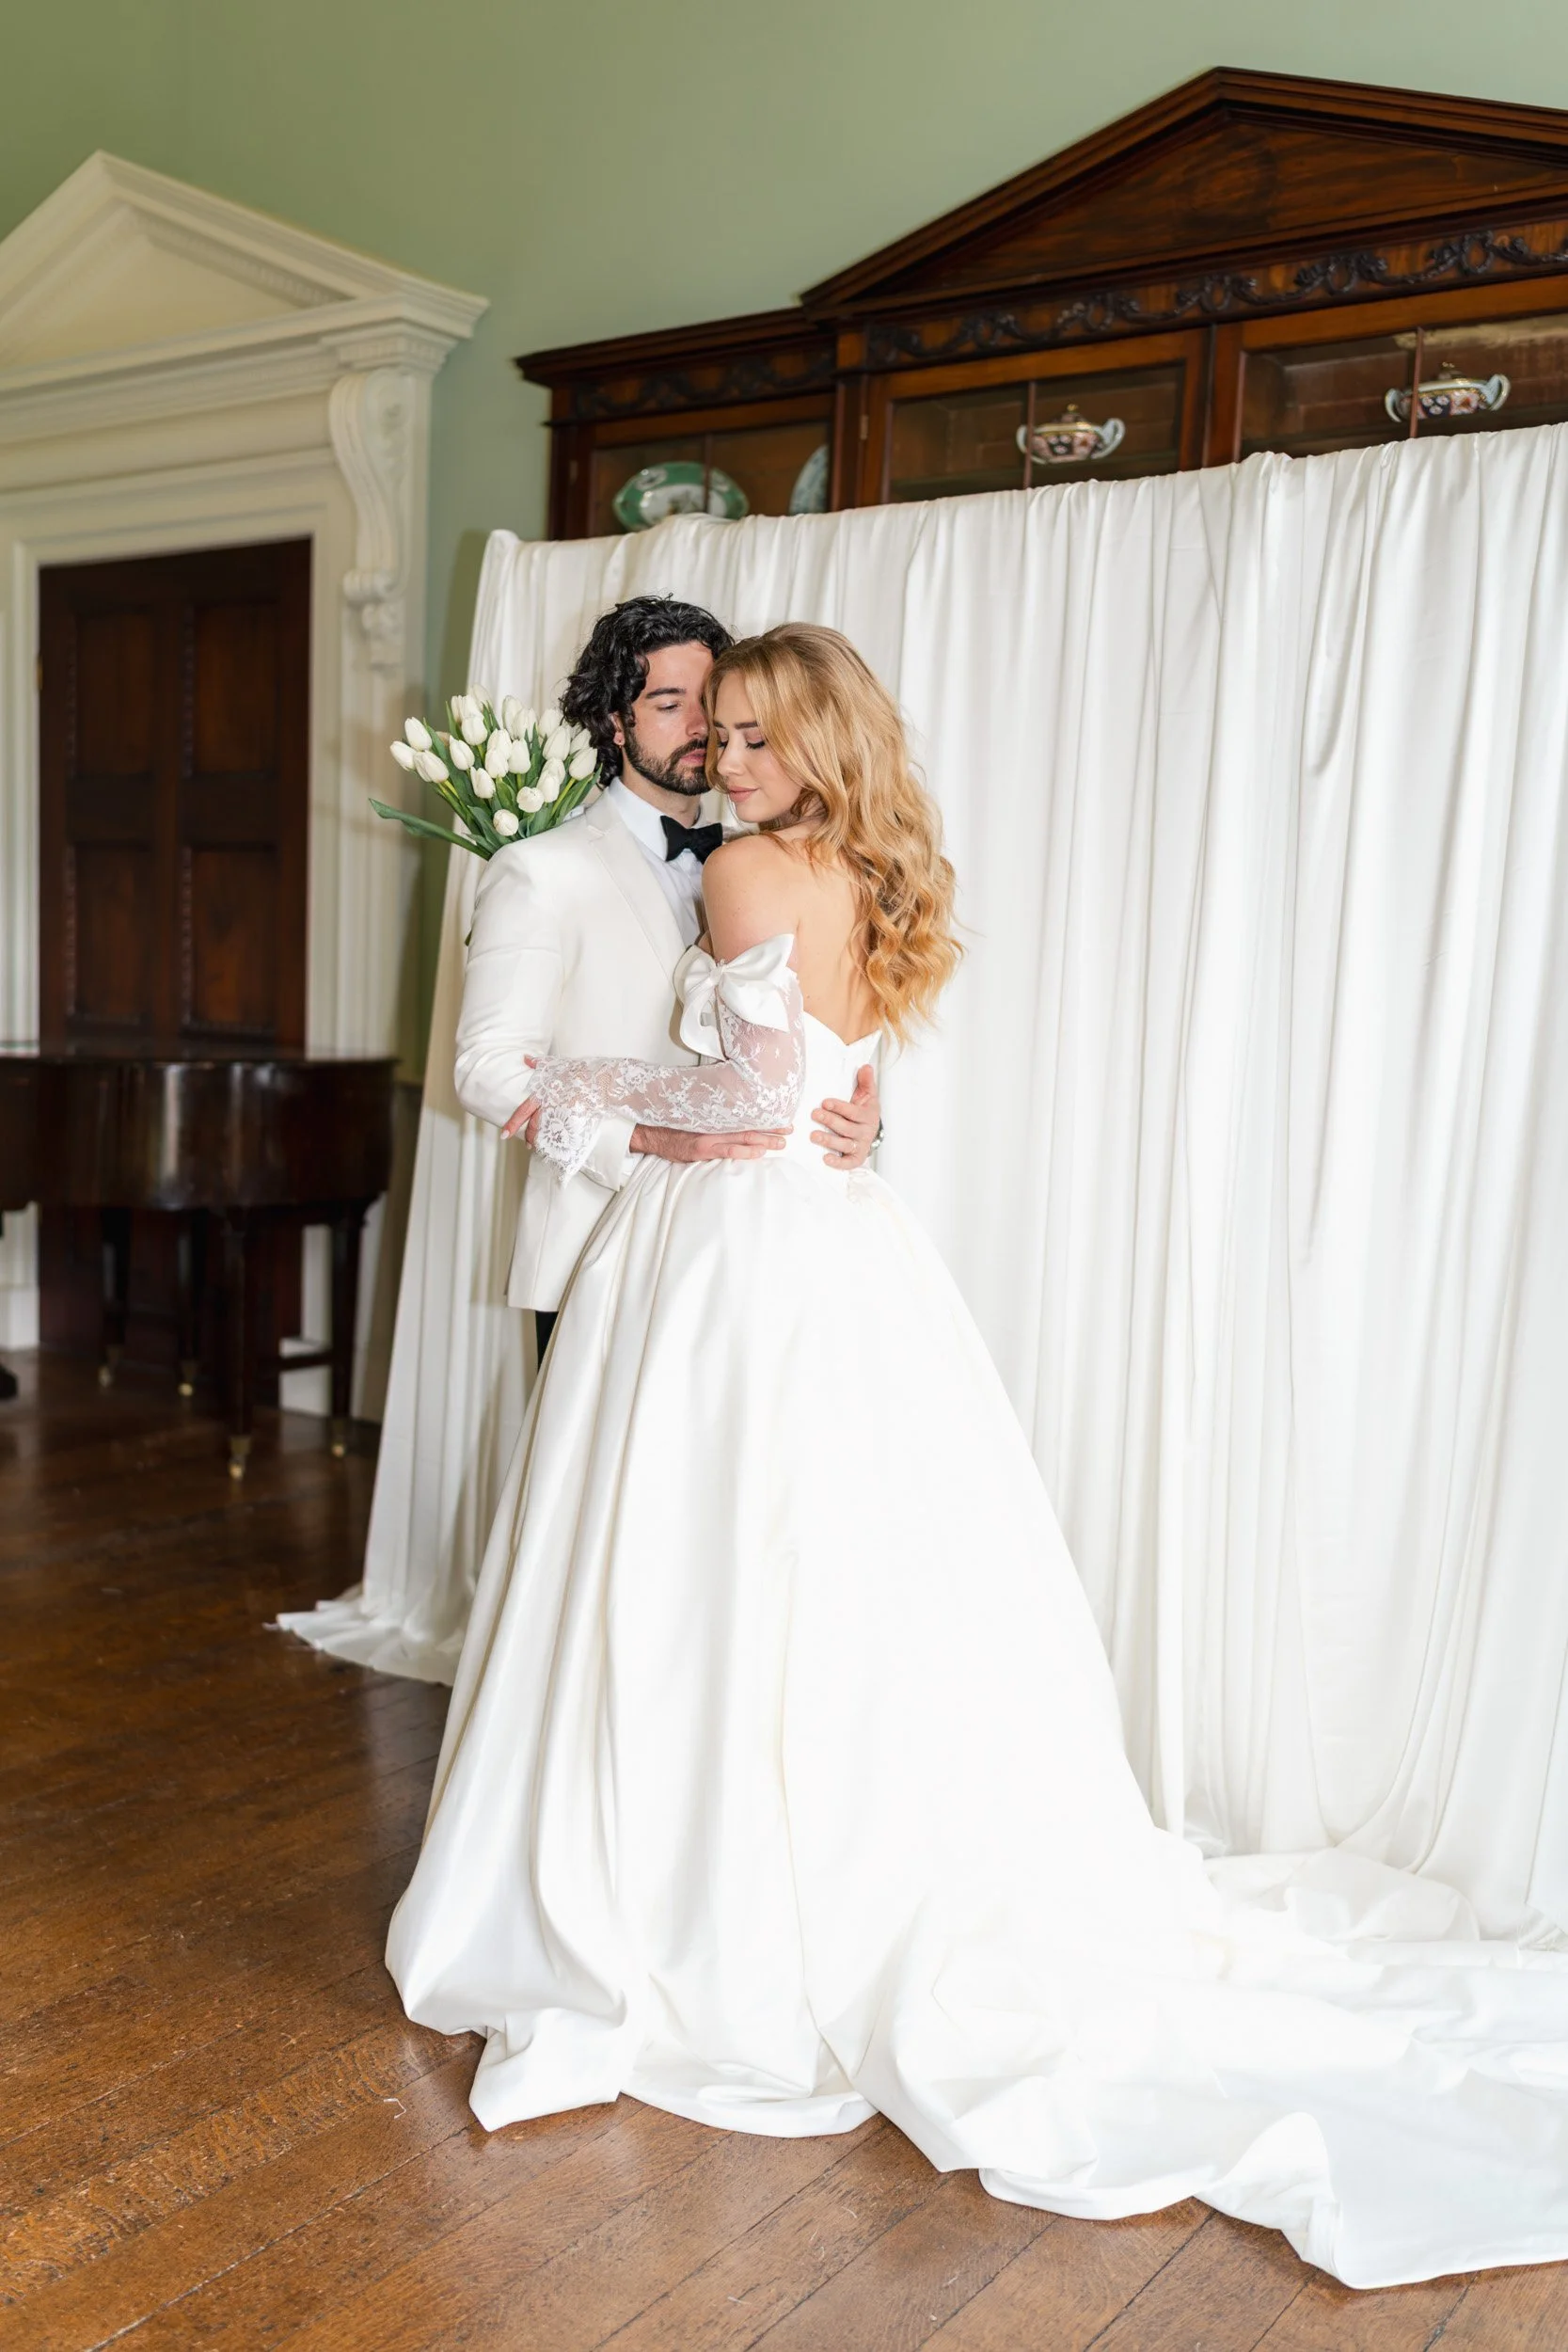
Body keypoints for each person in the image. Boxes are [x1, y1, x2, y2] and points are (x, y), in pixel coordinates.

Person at [388, 624, 1568, 2291]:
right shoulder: (862, 872)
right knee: (844, 1577)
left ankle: (688, 1892)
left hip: (735, 1259)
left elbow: (743, 1103)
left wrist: (667, 1097)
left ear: (807, 743)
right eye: (706, 731)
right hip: (843, 1243)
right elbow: (806, 1085)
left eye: (744, 734)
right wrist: (801, 1113)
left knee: (703, 1571)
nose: (720, 759)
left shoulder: (739, 876)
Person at [452, 596, 880, 1364]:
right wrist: (644, 1141)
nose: (697, 731)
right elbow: (484, 1070)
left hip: (743, 1245)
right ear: (615, 723)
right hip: (594, 1244)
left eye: (709, 704)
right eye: (666, 702)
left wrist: (858, 1118)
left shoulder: (778, 861)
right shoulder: (538, 873)